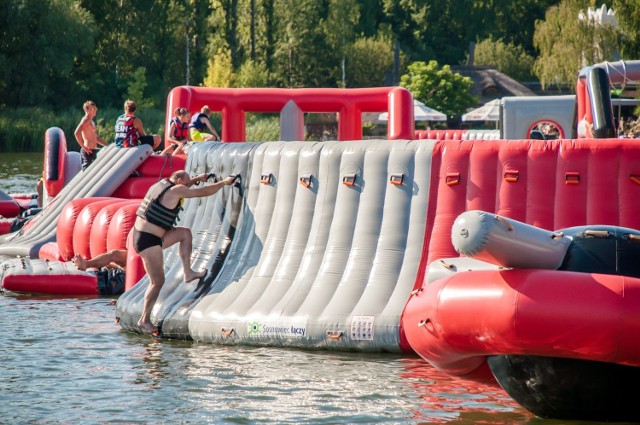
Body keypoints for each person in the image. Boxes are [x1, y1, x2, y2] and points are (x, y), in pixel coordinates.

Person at [135, 170, 237, 334]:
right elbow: (202, 192)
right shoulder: (177, 190)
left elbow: (181, 188)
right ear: (180, 180)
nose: (188, 183)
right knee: (157, 282)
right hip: (148, 241)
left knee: (185, 234)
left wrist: (197, 178)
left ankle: (188, 273)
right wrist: (224, 183)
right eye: (187, 180)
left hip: (147, 236)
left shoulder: (162, 184)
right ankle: (144, 319)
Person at [74, 100, 107, 170]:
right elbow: (76, 133)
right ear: (86, 110)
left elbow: (96, 138)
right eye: (92, 109)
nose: (94, 111)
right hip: (88, 151)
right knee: (87, 173)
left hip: (93, 150)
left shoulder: (91, 121)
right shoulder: (86, 120)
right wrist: (83, 147)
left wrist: (107, 145)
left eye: (95, 109)